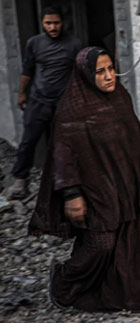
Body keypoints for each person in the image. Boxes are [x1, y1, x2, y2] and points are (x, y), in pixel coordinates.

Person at [29, 47, 140, 313]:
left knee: (127, 238)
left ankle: (125, 295)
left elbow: (132, 127)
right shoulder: (72, 109)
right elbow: (63, 155)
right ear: (87, 74)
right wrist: (71, 194)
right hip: (94, 185)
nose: (109, 76)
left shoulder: (120, 96)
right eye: (100, 71)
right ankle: (63, 282)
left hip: (125, 179)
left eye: (111, 68)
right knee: (101, 242)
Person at [8, 6, 82, 199]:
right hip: (38, 100)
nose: (52, 27)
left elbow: (82, 72)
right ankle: (20, 181)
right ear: (42, 23)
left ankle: (68, 183)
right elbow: (27, 70)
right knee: (28, 141)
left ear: (62, 22)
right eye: (48, 23)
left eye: (56, 22)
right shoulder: (34, 43)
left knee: (65, 142)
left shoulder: (74, 43)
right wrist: (22, 94)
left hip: (63, 102)